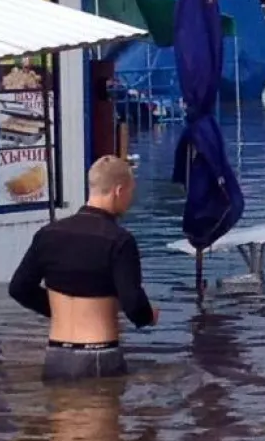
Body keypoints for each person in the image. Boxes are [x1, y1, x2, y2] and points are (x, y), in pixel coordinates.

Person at [9, 155, 159, 382]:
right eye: (130, 191)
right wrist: (148, 316)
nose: (131, 198)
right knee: (102, 416)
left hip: (56, 356)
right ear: (118, 191)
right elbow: (133, 304)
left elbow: (19, 288)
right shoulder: (119, 240)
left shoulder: (48, 234)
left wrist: (58, 311)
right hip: (98, 354)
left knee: (61, 417)